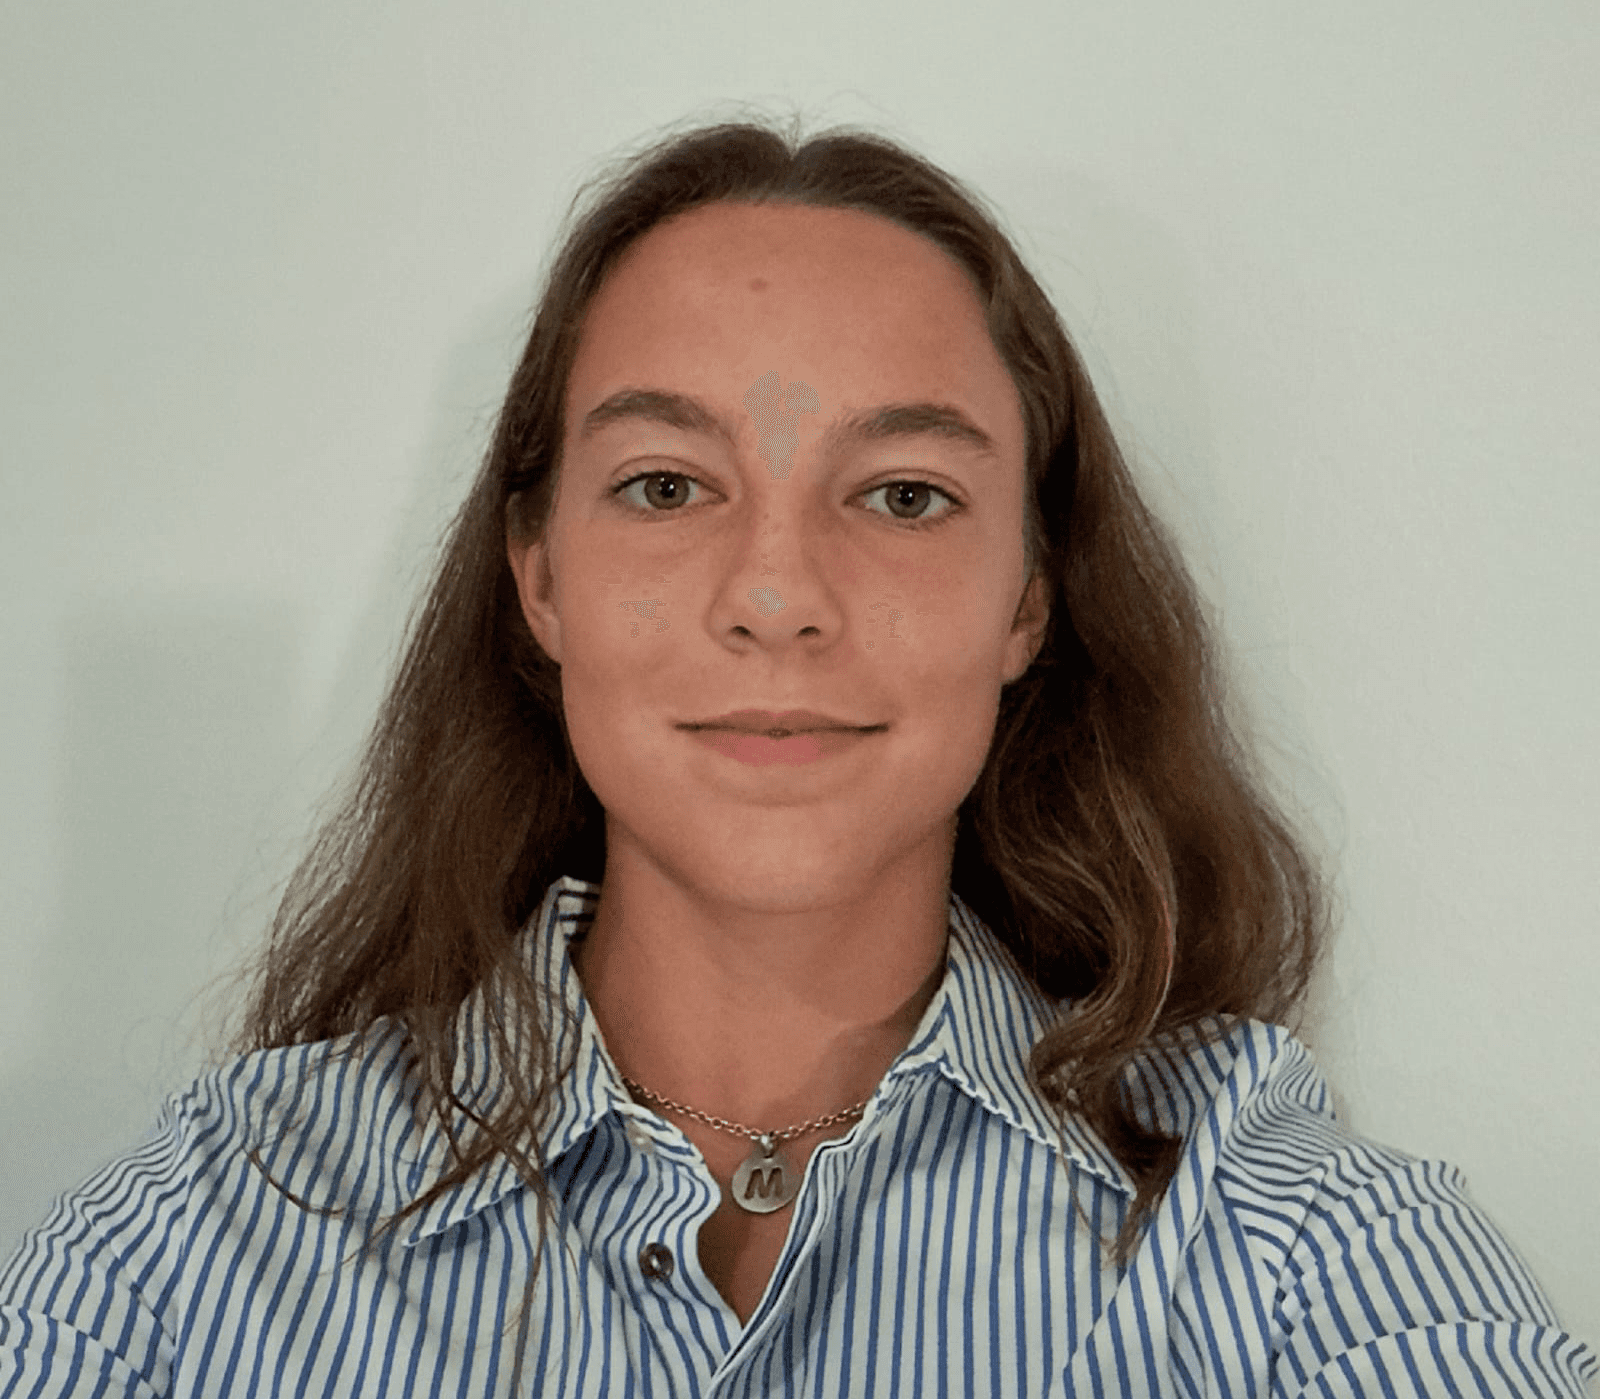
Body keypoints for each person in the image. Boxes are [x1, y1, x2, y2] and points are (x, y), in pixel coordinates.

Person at [1, 119, 1592, 1398]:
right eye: (666, 485)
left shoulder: (1287, 1245)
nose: (776, 596)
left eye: (903, 495)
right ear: (538, 578)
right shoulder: (200, 1239)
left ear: (1029, 598)